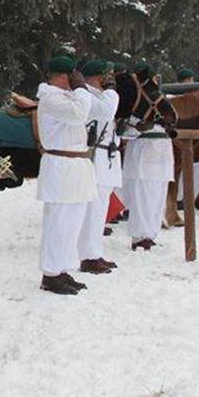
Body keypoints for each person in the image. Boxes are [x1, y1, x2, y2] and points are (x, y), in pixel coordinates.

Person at [34, 57, 96, 294]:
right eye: (72, 76)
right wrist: (81, 88)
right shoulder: (50, 98)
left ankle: (61, 268)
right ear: (62, 77)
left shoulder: (66, 97)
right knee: (58, 222)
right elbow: (79, 114)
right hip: (60, 165)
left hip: (75, 165)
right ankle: (50, 273)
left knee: (72, 222)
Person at [120, 65, 174, 250]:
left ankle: (151, 233)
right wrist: (141, 126)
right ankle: (139, 236)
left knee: (157, 198)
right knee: (143, 198)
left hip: (161, 158)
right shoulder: (137, 105)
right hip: (143, 160)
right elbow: (126, 130)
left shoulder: (159, 101)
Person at [77, 60, 121, 270]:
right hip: (95, 158)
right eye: (106, 73)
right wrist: (112, 92)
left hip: (106, 158)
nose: (110, 77)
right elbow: (105, 112)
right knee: (93, 209)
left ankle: (94, 252)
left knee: (99, 209)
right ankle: (87, 256)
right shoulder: (88, 95)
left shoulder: (99, 96)